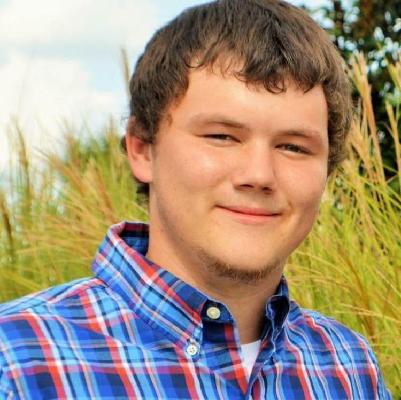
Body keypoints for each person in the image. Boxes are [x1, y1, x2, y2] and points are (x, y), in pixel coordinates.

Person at [0, 0, 392, 398]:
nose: (259, 175)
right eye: (221, 137)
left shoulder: (348, 367)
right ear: (142, 149)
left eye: (293, 147)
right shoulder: (17, 363)